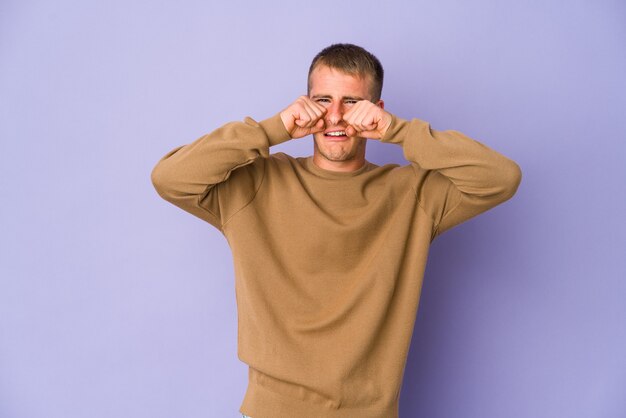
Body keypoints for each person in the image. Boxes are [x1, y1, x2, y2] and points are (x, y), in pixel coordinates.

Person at [151, 43, 521, 418]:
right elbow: (170, 178)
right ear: (305, 102)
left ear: (374, 110)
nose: (335, 116)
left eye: (350, 102)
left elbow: (501, 178)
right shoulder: (257, 184)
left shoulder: (414, 194)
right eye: (323, 100)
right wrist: (271, 130)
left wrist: (400, 132)